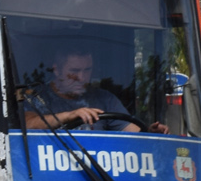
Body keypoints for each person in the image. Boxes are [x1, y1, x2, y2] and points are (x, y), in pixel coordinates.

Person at [23, 48, 167, 133]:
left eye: (87, 70)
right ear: (57, 70)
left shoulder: (104, 99)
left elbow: (132, 131)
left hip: (99, 176)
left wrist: (150, 133)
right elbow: (27, 124)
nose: (81, 77)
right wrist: (69, 116)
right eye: (74, 71)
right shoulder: (37, 97)